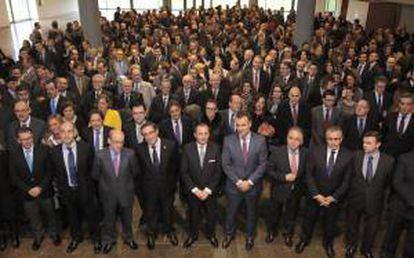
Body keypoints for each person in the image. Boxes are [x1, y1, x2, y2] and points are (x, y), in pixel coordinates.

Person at [295, 126, 353, 258]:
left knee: (330, 223)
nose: (333, 142)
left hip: (334, 198)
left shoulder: (349, 156)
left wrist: (334, 197)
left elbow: (347, 181)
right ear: (325, 139)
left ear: (341, 139)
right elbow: (309, 175)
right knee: (308, 219)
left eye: (336, 139)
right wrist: (316, 194)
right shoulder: (315, 151)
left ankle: (328, 244)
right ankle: (304, 240)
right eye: (330, 139)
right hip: (315, 195)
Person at [50, 122, 101, 253]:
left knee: (92, 216)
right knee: (73, 217)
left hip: (86, 190)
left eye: (69, 131)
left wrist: (91, 189)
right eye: (63, 131)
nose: (66, 134)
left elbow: (93, 170)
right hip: (67, 191)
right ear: (59, 133)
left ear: (75, 133)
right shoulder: (54, 152)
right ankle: (76, 238)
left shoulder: (86, 148)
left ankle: (96, 239)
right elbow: (55, 173)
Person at [8, 127, 60, 251]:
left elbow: (50, 171)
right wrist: (28, 189)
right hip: (27, 195)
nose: (27, 141)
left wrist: (40, 187)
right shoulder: (13, 154)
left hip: (45, 191)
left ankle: (54, 234)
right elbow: (14, 176)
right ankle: (38, 236)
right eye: (24, 139)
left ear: (33, 137)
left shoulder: (44, 150)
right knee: (34, 217)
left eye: (29, 138)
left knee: (51, 215)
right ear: (18, 140)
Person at [221, 111, 267, 250]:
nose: (240, 128)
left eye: (243, 125)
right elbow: (226, 164)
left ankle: (250, 237)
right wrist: (239, 182)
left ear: (250, 124)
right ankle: (229, 234)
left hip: (253, 186)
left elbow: (262, 164)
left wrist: (250, 182)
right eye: (238, 125)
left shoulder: (260, 140)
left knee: (252, 213)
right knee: (231, 212)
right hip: (234, 186)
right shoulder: (228, 140)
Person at [344, 131, 394, 258]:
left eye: (368, 143)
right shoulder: (355, 156)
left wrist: (385, 202)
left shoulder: (389, 161)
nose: (364, 145)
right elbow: (348, 178)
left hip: (375, 201)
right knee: (352, 226)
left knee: (371, 229)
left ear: (378, 145)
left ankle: (366, 249)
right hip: (355, 199)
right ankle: (351, 246)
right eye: (363, 142)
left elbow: (388, 184)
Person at [91, 129, 139, 254]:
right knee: (109, 219)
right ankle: (109, 240)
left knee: (127, 218)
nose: (119, 145)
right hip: (107, 194)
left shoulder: (130, 154)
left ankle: (129, 238)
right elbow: (95, 175)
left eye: (122, 142)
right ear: (108, 141)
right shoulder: (99, 155)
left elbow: (135, 172)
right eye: (116, 142)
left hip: (126, 193)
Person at [135, 122, 179, 249]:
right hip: (148, 190)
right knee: (150, 213)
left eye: (151, 132)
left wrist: (172, 185)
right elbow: (138, 173)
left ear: (157, 131)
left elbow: (175, 168)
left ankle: (170, 231)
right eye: (145, 134)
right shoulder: (139, 149)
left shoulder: (170, 145)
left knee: (168, 211)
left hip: (167, 188)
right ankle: (151, 234)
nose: (149, 136)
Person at [180, 123, 222, 248]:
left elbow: (218, 172)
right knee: (194, 214)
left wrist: (208, 190)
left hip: (210, 191)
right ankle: (193, 235)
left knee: (211, 215)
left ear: (209, 134)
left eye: (205, 133)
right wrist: (194, 189)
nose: (203, 137)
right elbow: (184, 172)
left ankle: (211, 235)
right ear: (195, 135)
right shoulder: (187, 149)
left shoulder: (215, 148)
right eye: (200, 134)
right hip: (194, 191)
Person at [266, 127, 308, 246]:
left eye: (297, 139)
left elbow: (307, 173)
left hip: (296, 192)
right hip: (279, 189)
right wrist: (284, 177)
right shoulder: (277, 152)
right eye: (290, 138)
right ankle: (271, 232)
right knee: (274, 213)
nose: (293, 141)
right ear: (286, 138)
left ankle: (288, 234)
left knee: (291, 214)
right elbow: (269, 171)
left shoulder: (306, 153)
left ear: (302, 141)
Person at [381, 149, 414, 258]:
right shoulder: (404, 158)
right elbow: (397, 182)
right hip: (399, 207)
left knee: (411, 244)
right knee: (391, 237)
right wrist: (412, 200)